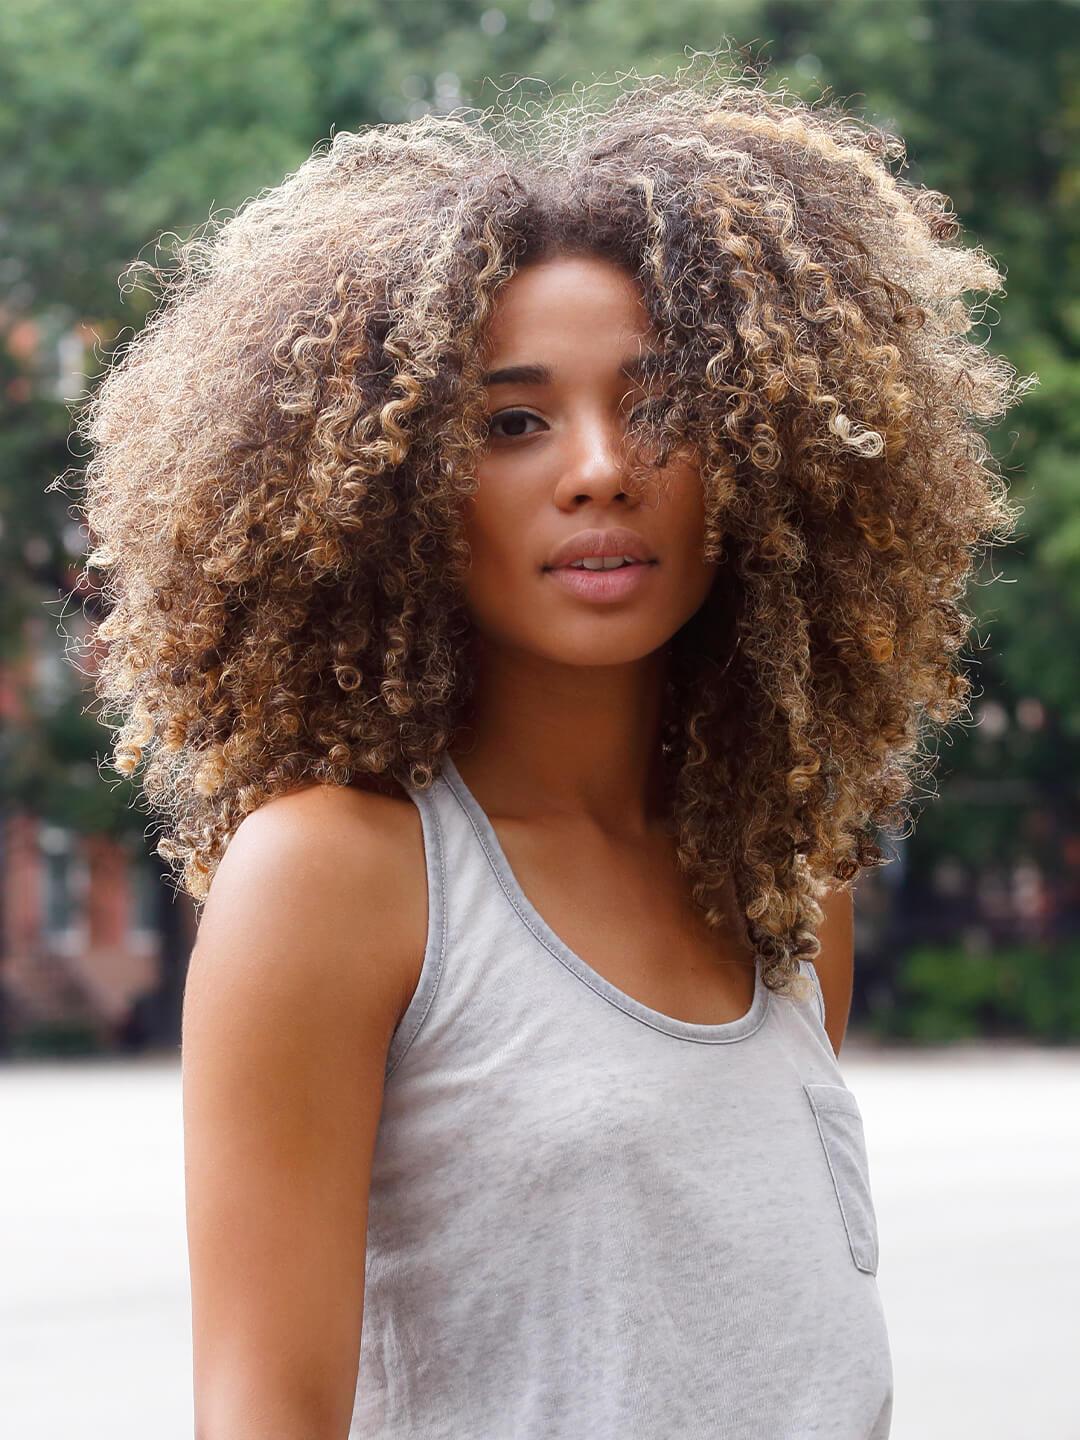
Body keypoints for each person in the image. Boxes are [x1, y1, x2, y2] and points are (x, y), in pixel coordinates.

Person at [76, 57, 1032, 1440]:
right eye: (511, 422)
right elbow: (264, 1412)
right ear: (388, 483)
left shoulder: (781, 873)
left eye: (660, 406)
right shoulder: (340, 876)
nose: (599, 466)